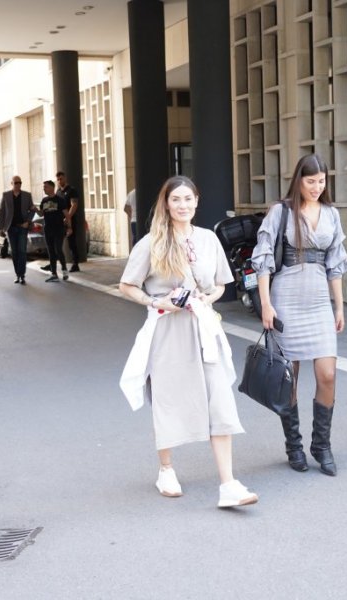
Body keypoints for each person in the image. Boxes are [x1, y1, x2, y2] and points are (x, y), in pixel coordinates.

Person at [118, 175, 258, 508]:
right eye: (176, 199)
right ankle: (166, 469)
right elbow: (127, 285)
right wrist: (156, 301)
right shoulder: (152, 242)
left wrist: (207, 298)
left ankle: (228, 483)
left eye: (188, 199)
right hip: (167, 330)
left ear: (197, 201)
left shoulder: (208, 239)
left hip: (203, 326)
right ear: (166, 204)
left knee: (219, 399)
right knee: (168, 399)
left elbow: (221, 284)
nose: (183, 205)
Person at [251, 153, 347, 476]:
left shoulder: (331, 214)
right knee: (288, 377)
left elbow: (335, 264)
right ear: (298, 180)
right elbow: (263, 259)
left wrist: (339, 306)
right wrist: (266, 304)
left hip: (319, 299)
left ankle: (322, 445)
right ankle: (294, 445)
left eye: (321, 181)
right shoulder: (281, 211)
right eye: (311, 181)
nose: (317, 187)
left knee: (328, 374)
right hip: (286, 298)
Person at [0, 175, 36, 285]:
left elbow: (32, 209)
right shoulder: (6, 195)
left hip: (22, 227)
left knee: (22, 251)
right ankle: (17, 274)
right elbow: (2, 212)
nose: (18, 185)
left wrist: (28, 221)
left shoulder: (27, 195)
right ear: (12, 184)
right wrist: (1, 228)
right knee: (14, 252)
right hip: (11, 228)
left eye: (20, 183)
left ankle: (22, 275)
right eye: (16, 183)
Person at [37, 180, 68, 282]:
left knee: (58, 249)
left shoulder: (60, 200)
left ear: (51, 188)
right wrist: (35, 209)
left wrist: (69, 227)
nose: (44, 189)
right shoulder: (44, 200)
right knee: (51, 251)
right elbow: (41, 214)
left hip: (59, 229)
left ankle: (64, 270)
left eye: (45, 187)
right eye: (43, 187)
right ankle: (54, 274)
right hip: (48, 229)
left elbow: (67, 214)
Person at [57, 171, 82, 272]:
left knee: (72, 243)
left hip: (70, 221)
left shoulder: (72, 190)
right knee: (57, 243)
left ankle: (75, 264)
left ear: (65, 178)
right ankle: (55, 263)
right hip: (60, 222)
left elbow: (74, 205)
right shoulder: (58, 191)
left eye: (61, 179)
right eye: (58, 179)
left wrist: (67, 217)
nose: (60, 181)